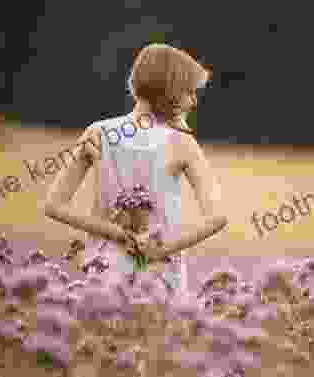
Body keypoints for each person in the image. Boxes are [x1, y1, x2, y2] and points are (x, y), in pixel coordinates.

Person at [43, 43, 227, 293]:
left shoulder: (98, 133)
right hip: (159, 274)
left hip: (104, 270)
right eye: (189, 92)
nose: (194, 102)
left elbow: (54, 206)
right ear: (170, 91)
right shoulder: (183, 144)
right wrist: (163, 248)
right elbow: (217, 218)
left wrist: (116, 234)